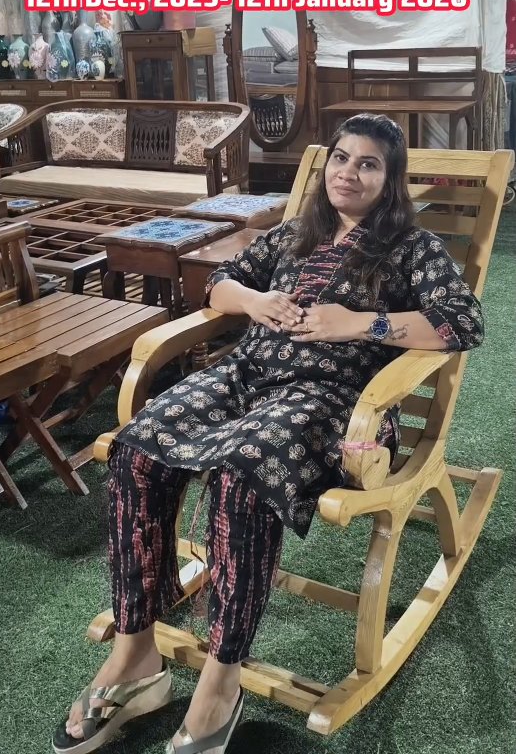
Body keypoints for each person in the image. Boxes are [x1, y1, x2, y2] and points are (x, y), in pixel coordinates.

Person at [52, 114, 484, 754]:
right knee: (136, 452)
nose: (348, 173)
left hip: (334, 401)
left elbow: (463, 323)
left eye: (368, 163)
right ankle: (135, 653)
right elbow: (219, 284)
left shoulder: (411, 248)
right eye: (341, 158)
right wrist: (253, 302)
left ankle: (221, 681)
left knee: (242, 476)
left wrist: (360, 323)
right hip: (246, 377)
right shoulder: (293, 234)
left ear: (390, 179)